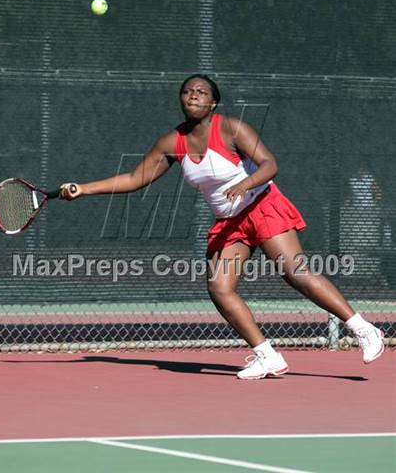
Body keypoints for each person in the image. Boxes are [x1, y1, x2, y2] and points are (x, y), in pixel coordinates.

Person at [60, 74, 385, 379]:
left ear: (213, 103)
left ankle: (363, 329)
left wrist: (246, 184)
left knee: (295, 273)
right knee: (219, 287)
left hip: (263, 205)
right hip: (231, 222)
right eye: (187, 92)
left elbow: (270, 164)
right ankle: (266, 354)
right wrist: (83, 189)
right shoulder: (172, 142)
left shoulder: (230, 128)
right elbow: (135, 179)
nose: (193, 96)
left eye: (201, 92)